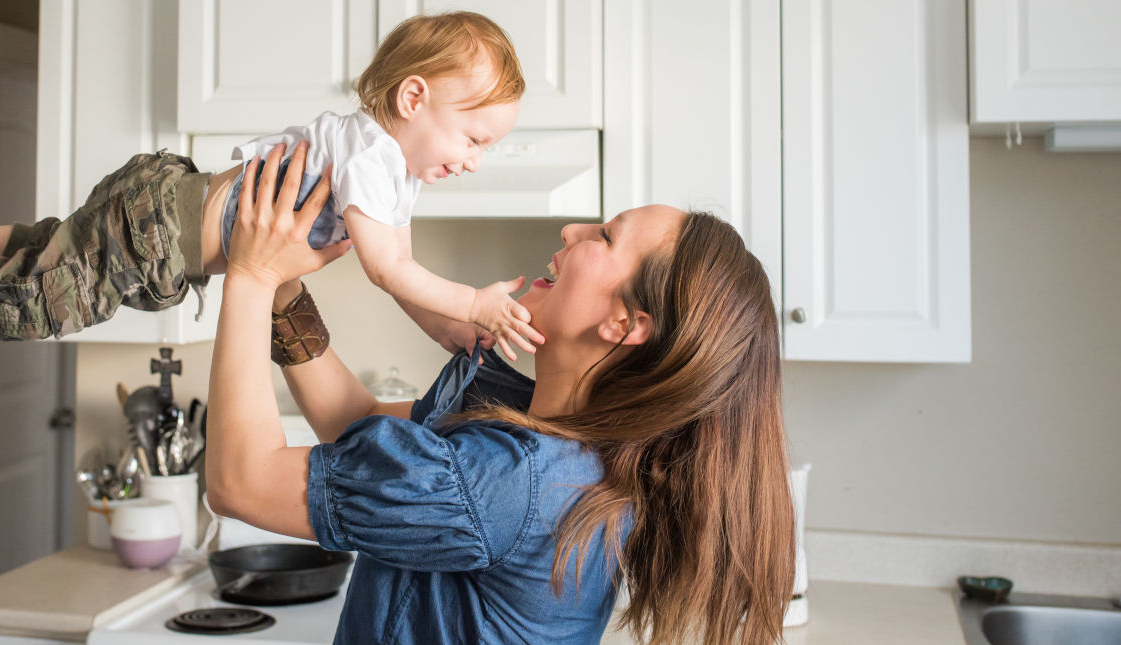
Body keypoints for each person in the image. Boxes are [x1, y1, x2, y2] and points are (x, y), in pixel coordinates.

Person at [209, 142, 795, 645]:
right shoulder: (529, 432)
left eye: (606, 235)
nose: (572, 230)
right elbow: (354, 428)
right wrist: (284, 295)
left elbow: (240, 482)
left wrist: (251, 275)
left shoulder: (509, 483)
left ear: (624, 322)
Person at [0, 11, 541, 360]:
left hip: (161, 203)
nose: (475, 159)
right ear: (413, 100)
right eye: (473, 137)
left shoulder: (390, 173)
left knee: (48, 245)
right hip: (158, 235)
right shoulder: (372, 155)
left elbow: (405, 276)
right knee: (31, 306)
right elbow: (390, 270)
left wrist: (449, 327)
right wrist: (476, 300)